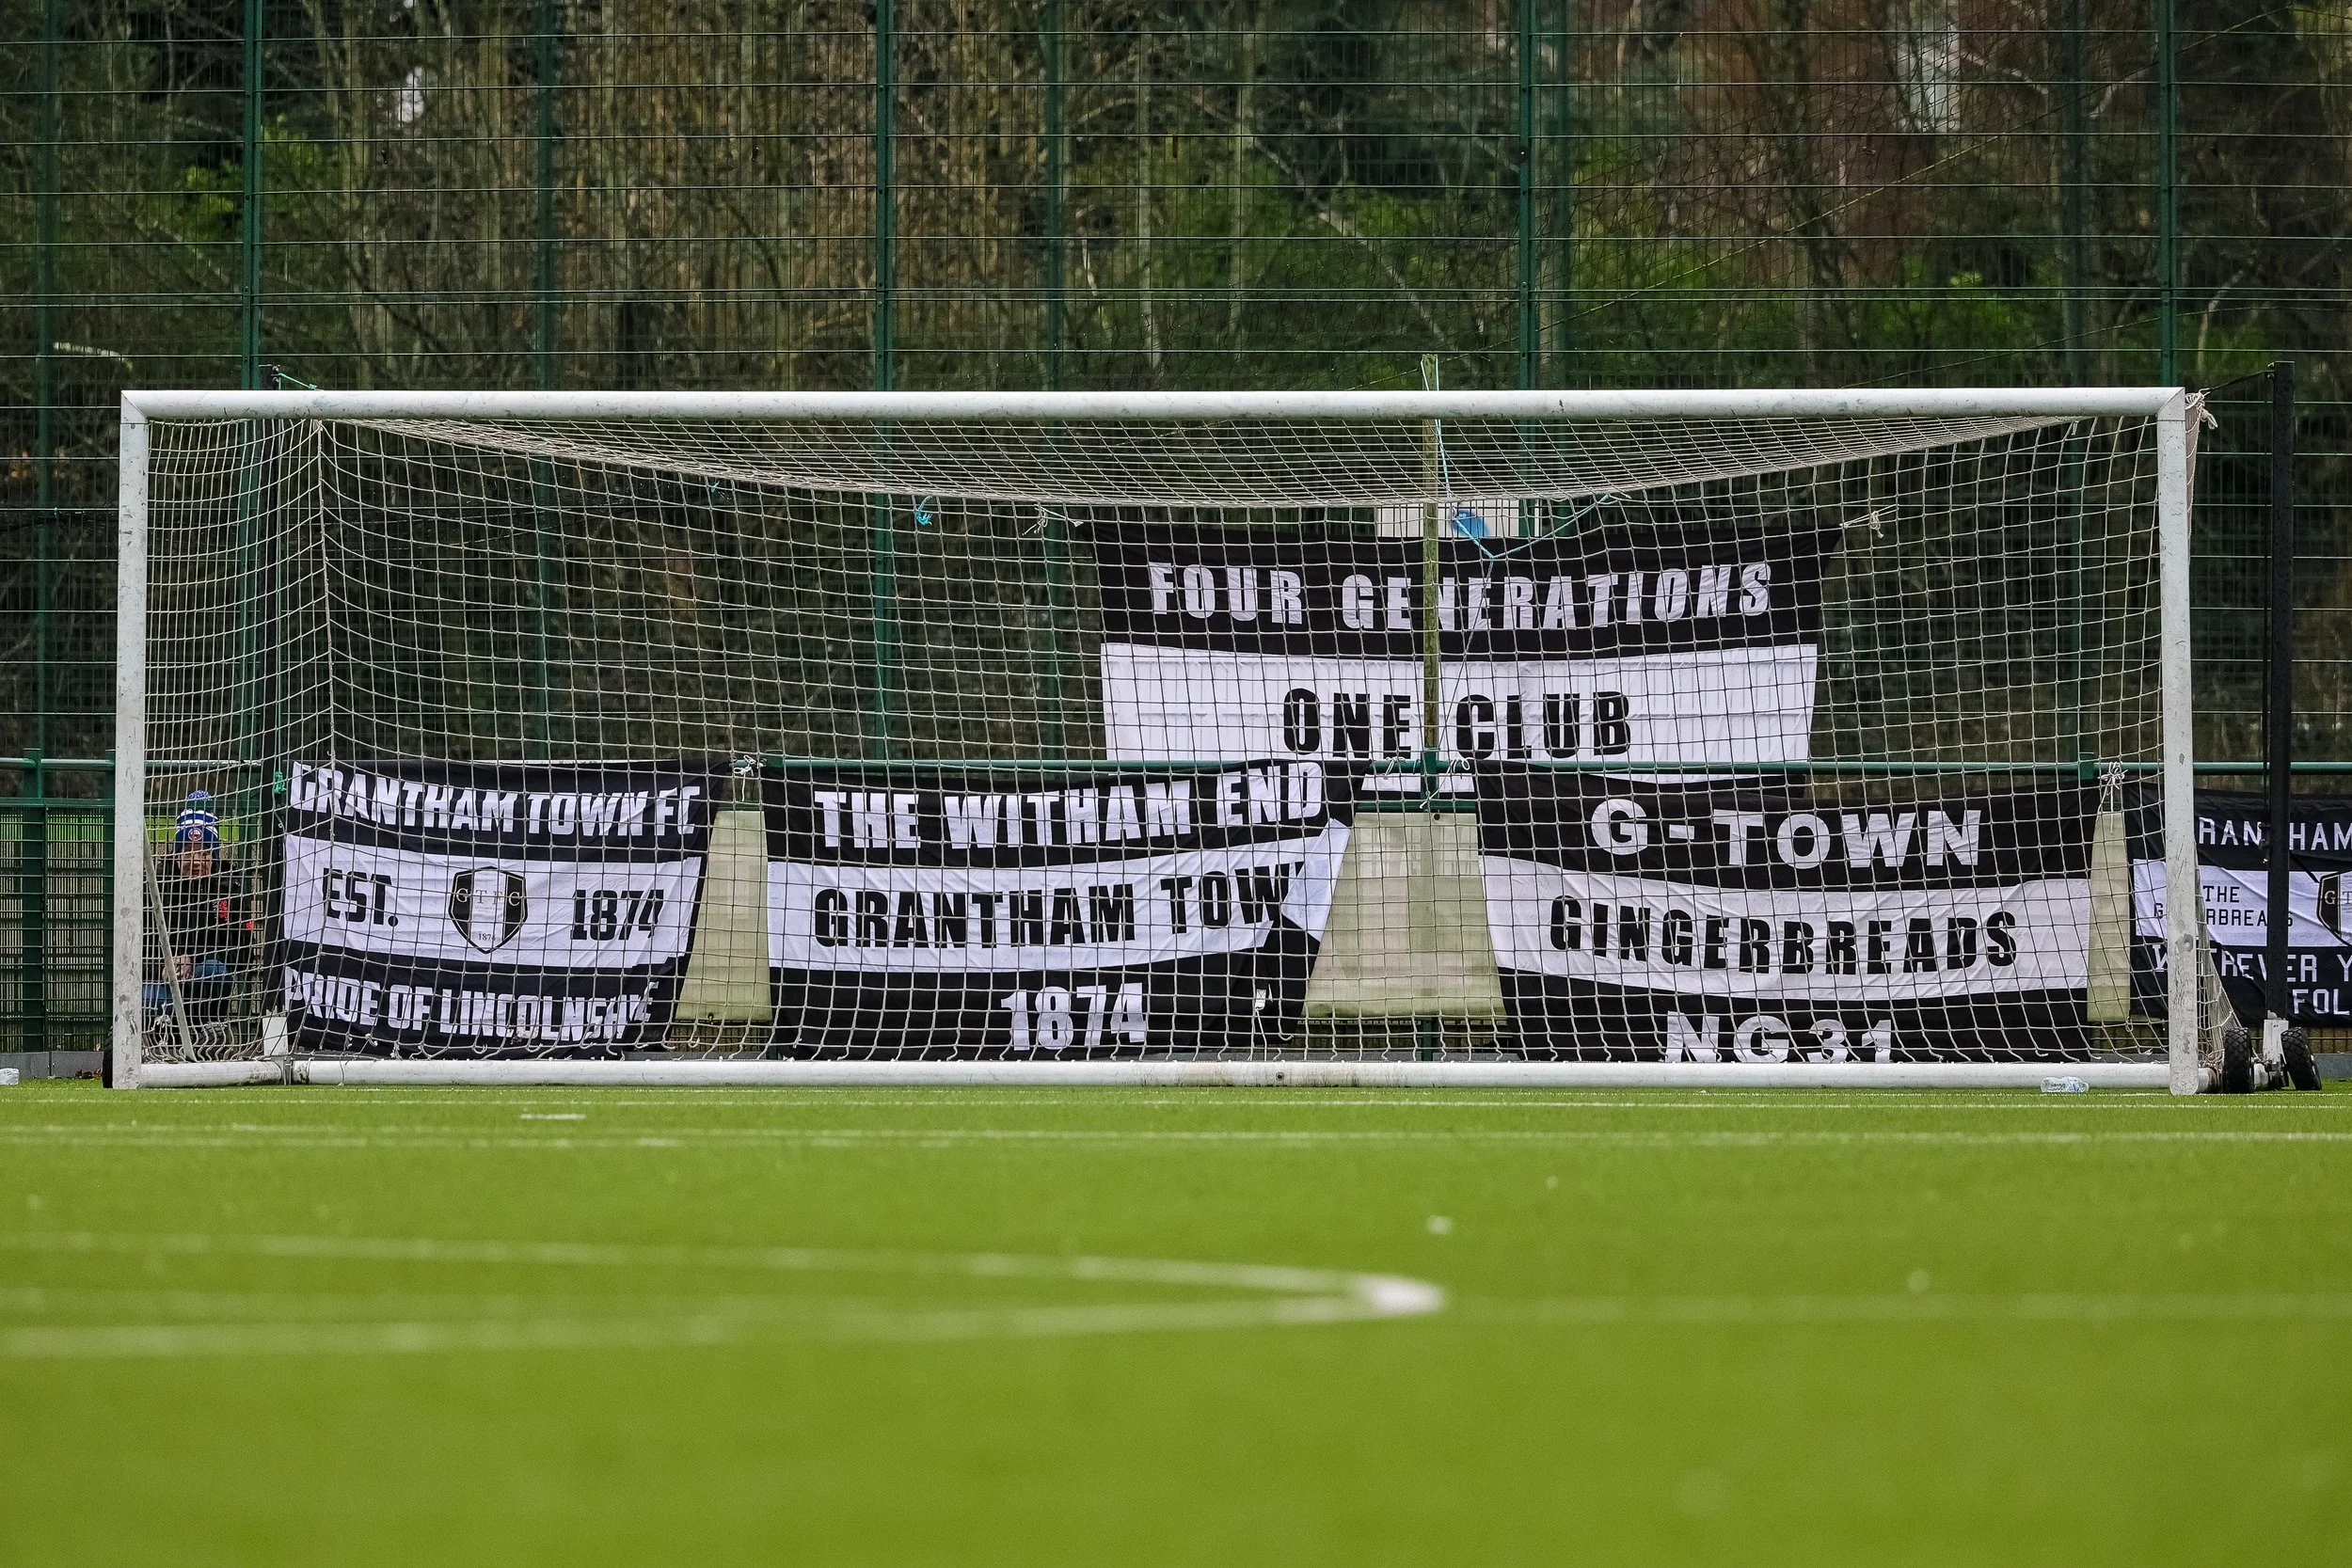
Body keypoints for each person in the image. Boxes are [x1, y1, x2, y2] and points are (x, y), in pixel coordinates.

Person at [144, 793, 249, 1026]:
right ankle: (157, 1039)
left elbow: (242, 953)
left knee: (215, 972)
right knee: (144, 999)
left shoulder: (229, 886)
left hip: (203, 981)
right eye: (188, 850)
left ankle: (206, 1032)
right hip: (160, 981)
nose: (196, 861)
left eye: (204, 852)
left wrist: (193, 959)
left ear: (215, 854)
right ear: (176, 852)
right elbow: (136, 945)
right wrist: (164, 965)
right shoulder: (153, 884)